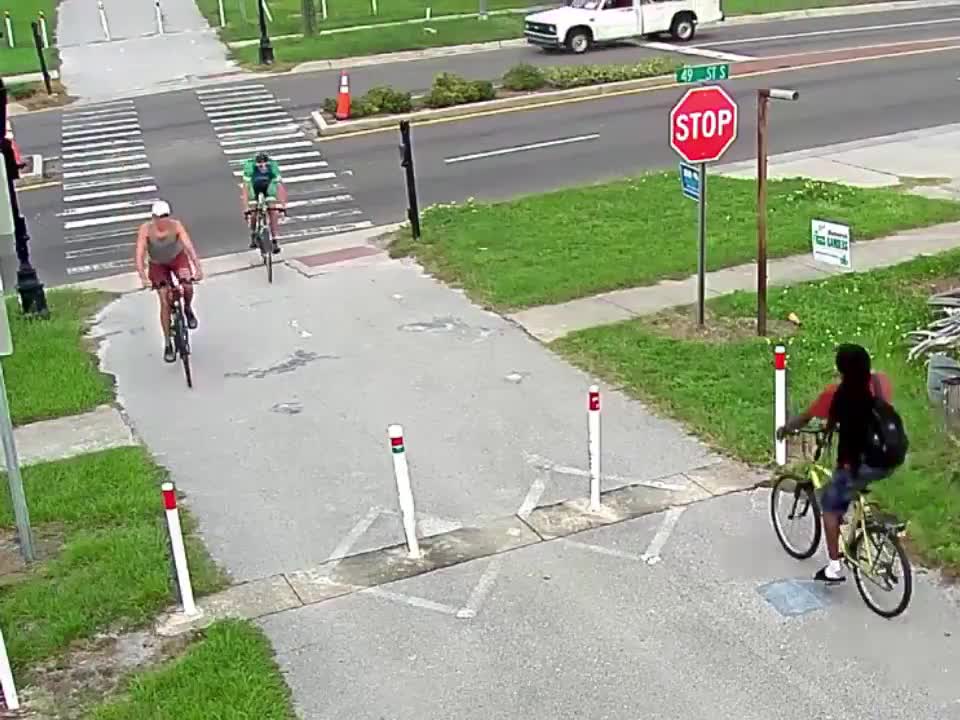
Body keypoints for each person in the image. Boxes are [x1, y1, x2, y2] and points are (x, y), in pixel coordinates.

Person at [776, 343, 897, 584]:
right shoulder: (881, 382)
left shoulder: (835, 394)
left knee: (830, 511)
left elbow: (805, 418)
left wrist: (785, 429)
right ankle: (862, 523)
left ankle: (834, 569)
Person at [135, 200, 204, 364]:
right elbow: (139, 254)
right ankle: (168, 343)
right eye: (158, 217)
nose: (162, 220)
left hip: (177, 259)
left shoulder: (176, 226)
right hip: (158, 264)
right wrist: (143, 277)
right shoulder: (146, 230)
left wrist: (197, 268)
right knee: (164, 299)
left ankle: (187, 308)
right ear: (153, 218)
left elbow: (188, 246)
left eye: (165, 216)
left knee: (187, 285)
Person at [240, 151, 287, 254]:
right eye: (259, 163)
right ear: (255, 163)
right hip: (254, 187)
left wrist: (283, 206)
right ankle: (253, 234)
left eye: (265, 163)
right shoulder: (250, 169)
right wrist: (246, 208)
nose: (262, 166)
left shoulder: (273, 168)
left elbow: (280, 187)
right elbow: (245, 189)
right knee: (253, 212)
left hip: (268, 187)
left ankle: (274, 240)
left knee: (273, 211)